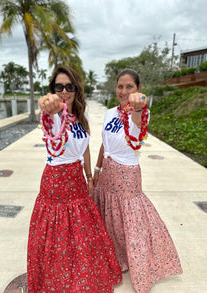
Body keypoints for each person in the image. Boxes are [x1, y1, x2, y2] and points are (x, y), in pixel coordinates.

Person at [27, 65, 122, 293]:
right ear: (52, 89)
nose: (64, 91)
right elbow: (47, 107)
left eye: (69, 86)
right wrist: (48, 106)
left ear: (76, 89)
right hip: (56, 182)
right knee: (58, 234)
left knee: (80, 234)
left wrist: (89, 176)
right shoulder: (53, 117)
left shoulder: (82, 117)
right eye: (58, 87)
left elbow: (86, 149)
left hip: (77, 180)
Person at [92, 69, 183, 293]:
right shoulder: (110, 113)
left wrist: (138, 102)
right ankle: (117, 258)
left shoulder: (141, 113)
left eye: (129, 87)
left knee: (131, 224)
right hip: (106, 175)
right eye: (120, 87)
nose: (124, 91)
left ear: (138, 89)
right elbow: (105, 144)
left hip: (127, 176)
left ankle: (138, 264)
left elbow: (139, 108)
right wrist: (97, 168)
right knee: (110, 221)